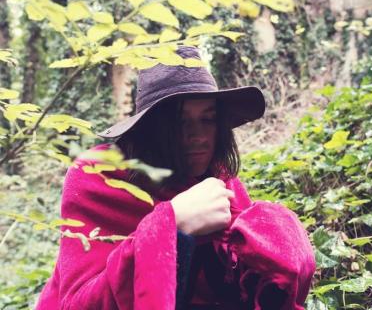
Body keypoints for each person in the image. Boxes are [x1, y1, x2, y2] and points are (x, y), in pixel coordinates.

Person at [36, 46, 316, 310]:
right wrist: (171, 225)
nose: (198, 136)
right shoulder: (99, 173)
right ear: (150, 128)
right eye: (180, 121)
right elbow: (79, 303)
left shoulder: (218, 176)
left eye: (208, 119)